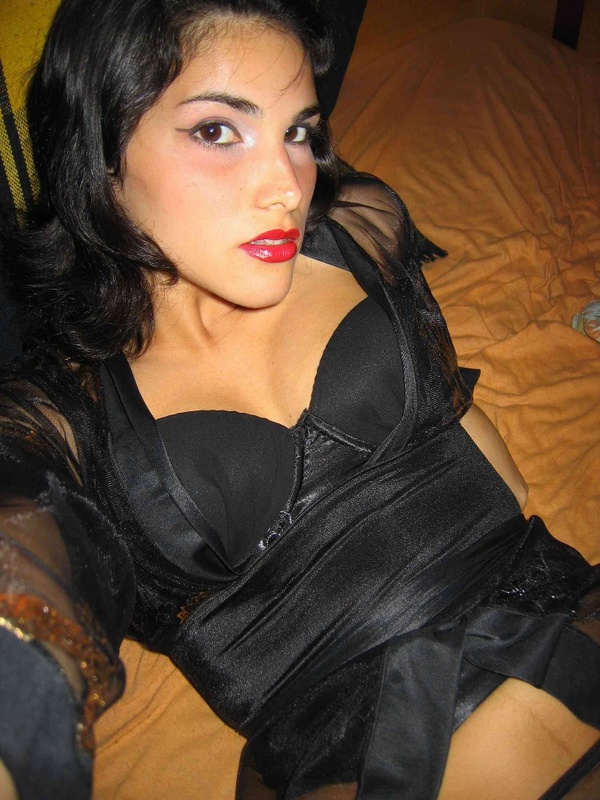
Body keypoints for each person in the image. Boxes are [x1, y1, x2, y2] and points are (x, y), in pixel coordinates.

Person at [0, 1, 598, 798]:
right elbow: (23, 587)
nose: (287, 186)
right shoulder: (62, 415)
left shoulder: (359, 228)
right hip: (360, 752)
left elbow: (488, 454)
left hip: (554, 607)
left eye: (299, 132)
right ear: (99, 149)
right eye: (218, 130)